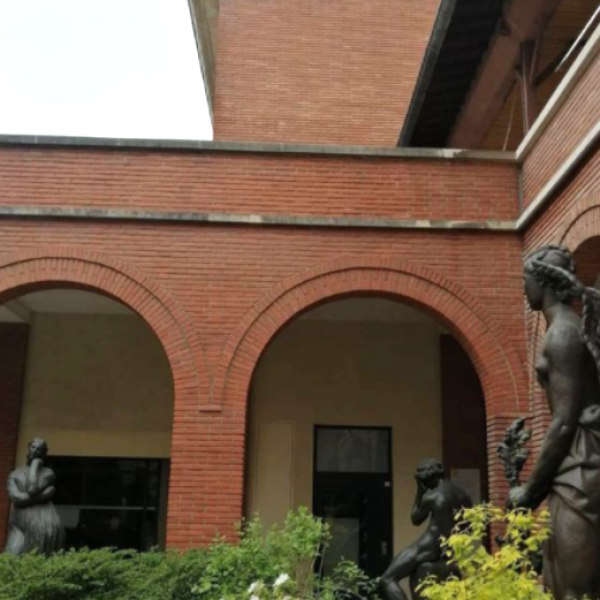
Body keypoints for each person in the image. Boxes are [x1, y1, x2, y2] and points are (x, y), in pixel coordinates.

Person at [509, 244, 600, 600]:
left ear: (543, 282)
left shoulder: (562, 334)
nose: (523, 289)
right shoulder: (565, 328)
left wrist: (529, 490)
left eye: (525, 280)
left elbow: (563, 421)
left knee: (574, 586)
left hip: (582, 464)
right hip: (575, 463)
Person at [380, 459, 472, 600]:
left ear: (428, 479)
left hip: (429, 546)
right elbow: (468, 527)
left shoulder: (431, 496)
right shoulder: (464, 496)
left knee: (387, 579)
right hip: (449, 548)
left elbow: (415, 519)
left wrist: (419, 492)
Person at [4, 438, 64, 555]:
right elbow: (17, 498)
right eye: (33, 447)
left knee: (41, 555)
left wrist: (35, 465)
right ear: (29, 447)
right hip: (20, 520)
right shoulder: (14, 474)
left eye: (39, 449)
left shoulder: (48, 473)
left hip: (44, 521)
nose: (35, 451)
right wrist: (43, 496)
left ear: (44, 452)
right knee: (11, 553)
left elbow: (33, 489)